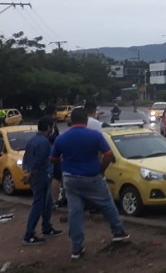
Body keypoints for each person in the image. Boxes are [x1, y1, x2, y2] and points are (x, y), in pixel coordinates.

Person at [50, 108, 129, 259]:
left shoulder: (62, 138)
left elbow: (53, 158)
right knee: (106, 203)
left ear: (71, 121)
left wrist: (64, 162)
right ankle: (118, 231)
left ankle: (76, 248)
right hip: (92, 176)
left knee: (75, 212)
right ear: (86, 120)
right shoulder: (95, 135)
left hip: (70, 179)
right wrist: (101, 170)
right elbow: (108, 155)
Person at [22, 117, 62, 245]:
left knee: (48, 203)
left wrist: (27, 173)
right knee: (38, 205)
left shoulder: (32, 140)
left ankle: (47, 227)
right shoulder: (44, 142)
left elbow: (26, 159)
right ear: (49, 128)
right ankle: (29, 234)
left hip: (36, 176)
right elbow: (38, 162)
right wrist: (31, 174)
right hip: (41, 176)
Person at [42, 105, 64, 208]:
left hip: (50, 151)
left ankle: (52, 200)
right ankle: (54, 201)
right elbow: (52, 137)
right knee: (56, 176)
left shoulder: (44, 120)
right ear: (54, 112)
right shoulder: (51, 123)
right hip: (53, 152)